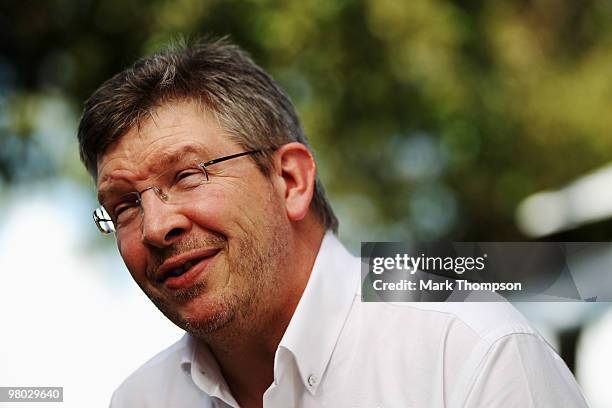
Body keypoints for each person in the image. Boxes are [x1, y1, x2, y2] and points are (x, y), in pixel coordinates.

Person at [77, 38, 588, 408]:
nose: (153, 226)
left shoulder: (468, 348)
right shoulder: (140, 399)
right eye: (123, 206)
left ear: (291, 181)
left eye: (189, 175)